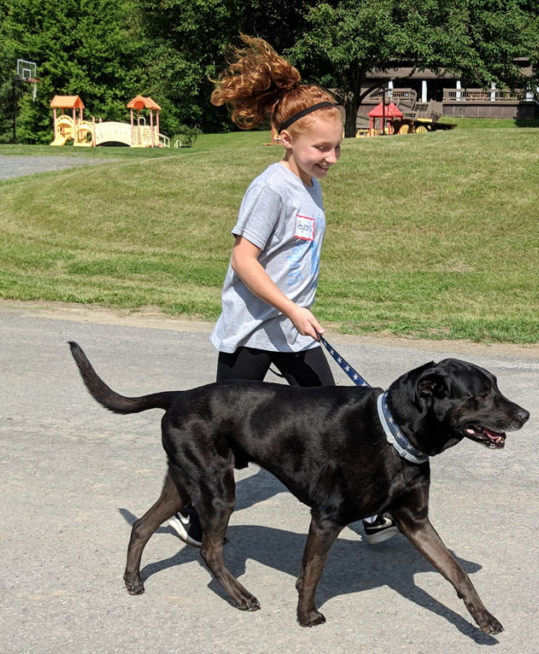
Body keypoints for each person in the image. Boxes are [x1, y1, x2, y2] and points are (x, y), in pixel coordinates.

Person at [166, 35, 397, 547]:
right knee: (222, 435)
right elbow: (243, 259)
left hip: (293, 332)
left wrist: (297, 314)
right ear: (284, 139)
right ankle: (194, 518)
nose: (332, 157)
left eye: (338, 146)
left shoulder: (309, 184)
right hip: (252, 330)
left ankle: (369, 509)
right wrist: (291, 307)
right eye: (321, 147)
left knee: (338, 420)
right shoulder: (271, 188)